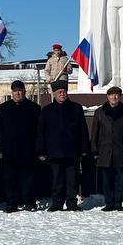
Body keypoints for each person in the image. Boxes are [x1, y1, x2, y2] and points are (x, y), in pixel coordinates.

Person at [37, 80, 89, 211]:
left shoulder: (76, 108)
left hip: (72, 151)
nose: (62, 94)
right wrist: (41, 151)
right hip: (54, 152)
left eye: (64, 92)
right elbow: (41, 132)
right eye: (59, 92)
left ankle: (72, 203)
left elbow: (83, 129)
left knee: (72, 180)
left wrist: (84, 148)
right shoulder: (47, 110)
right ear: (54, 94)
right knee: (57, 180)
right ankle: (57, 203)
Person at [0, 80, 41, 212]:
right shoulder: (4, 107)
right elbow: (0, 128)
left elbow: (39, 130)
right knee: (11, 178)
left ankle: (29, 202)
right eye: (15, 91)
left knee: (29, 178)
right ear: (12, 92)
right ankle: (12, 203)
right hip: (10, 150)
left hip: (28, 149)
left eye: (20, 91)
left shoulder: (34, 108)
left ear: (24, 92)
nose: (18, 93)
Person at [91, 86, 123, 211]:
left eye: (116, 95)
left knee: (120, 179)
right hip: (104, 151)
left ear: (119, 97)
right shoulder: (99, 112)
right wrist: (94, 150)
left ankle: (118, 203)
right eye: (111, 95)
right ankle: (109, 203)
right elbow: (95, 132)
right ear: (107, 96)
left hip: (120, 151)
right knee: (106, 180)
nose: (114, 97)